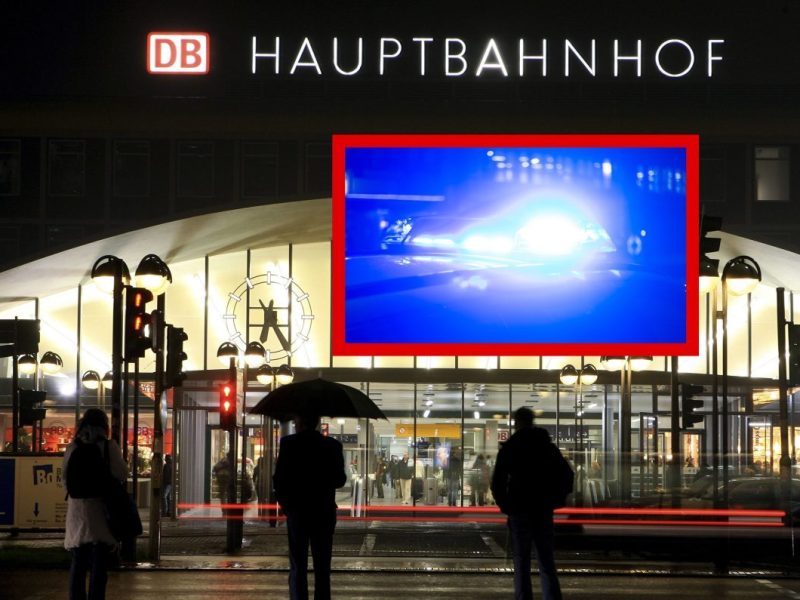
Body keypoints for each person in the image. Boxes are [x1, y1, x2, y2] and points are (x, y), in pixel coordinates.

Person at [491, 407, 570, 600]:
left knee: (521, 562)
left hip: (519, 509)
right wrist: (555, 500)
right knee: (546, 561)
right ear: (532, 421)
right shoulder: (547, 447)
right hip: (543, 509)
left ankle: (524, 596)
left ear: (516, 422)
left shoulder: (510, 448)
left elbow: (497, 483)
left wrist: (507, 506)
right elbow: (567, 475)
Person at [273, 412, 346, 600]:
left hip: (298, 512)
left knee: (298, 565)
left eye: (295, 420)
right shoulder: (332, 446)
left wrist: (286, 506)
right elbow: (340, 480)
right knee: (322, 567)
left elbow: (279, 480)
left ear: (300, 422)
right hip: (323, 512)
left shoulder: (289, 444)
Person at [63, 408, 127, 600]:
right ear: (104, 426)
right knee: (100, 563)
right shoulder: (108, 447)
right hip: (101, 510)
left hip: (78, 512)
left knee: (78, 562)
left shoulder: (73, 447)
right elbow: (122, 474)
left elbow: (65, 478)